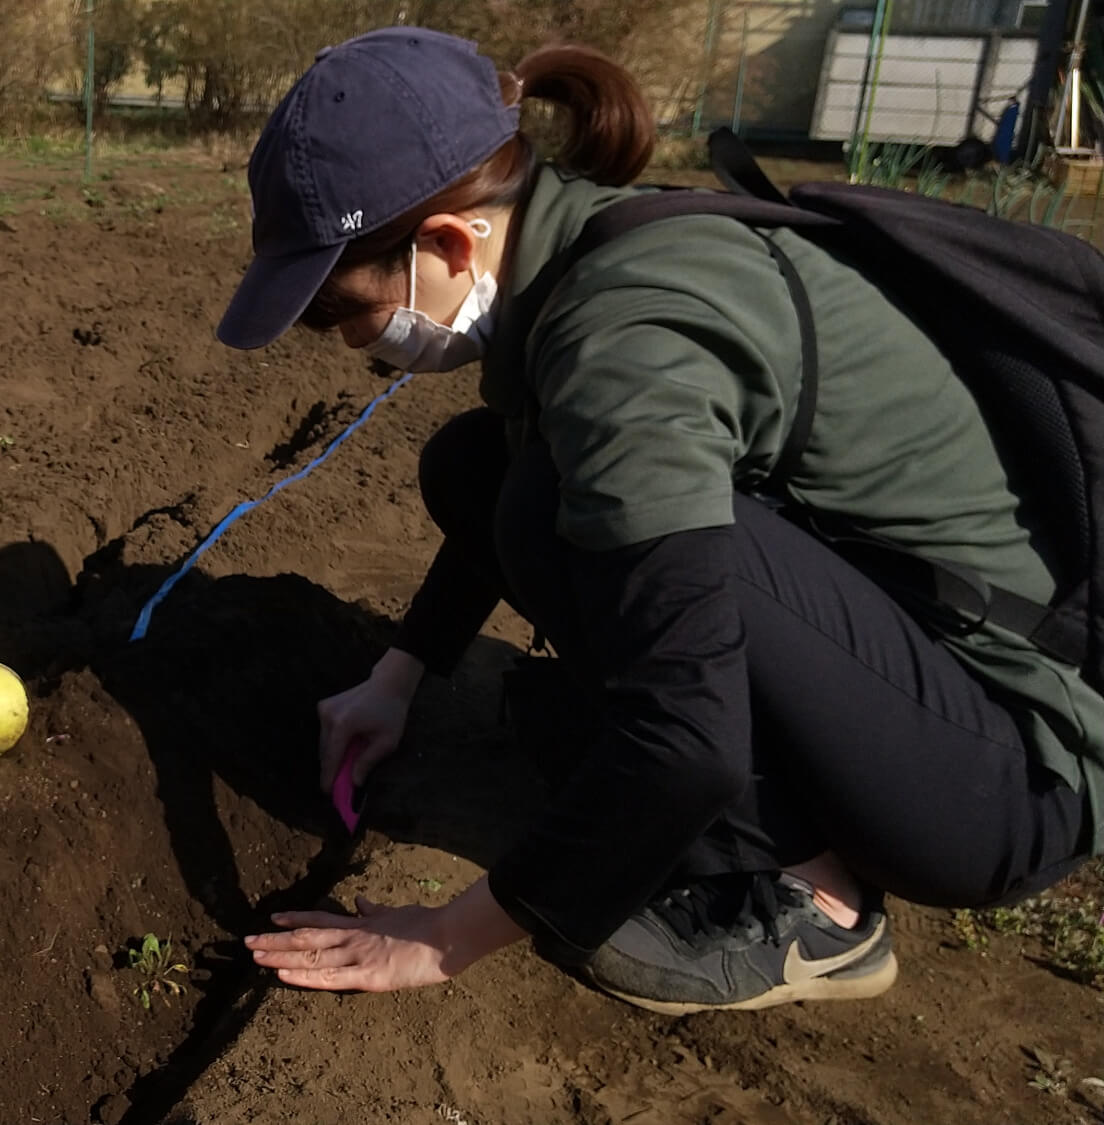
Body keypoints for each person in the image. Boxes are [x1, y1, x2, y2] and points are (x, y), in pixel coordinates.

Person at [224, 27, 1102, 1013]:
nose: (353, 344)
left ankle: (819, 907)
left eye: (343, 313)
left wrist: (438, 940)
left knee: (553, 503)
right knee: (487, 468)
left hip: (1003, 777)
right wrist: (395, 679)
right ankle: (767, 824)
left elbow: (688, 741)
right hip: (919, 673)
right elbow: (509, 480)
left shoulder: (623, 346)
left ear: (446, 243)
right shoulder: (592, 246)